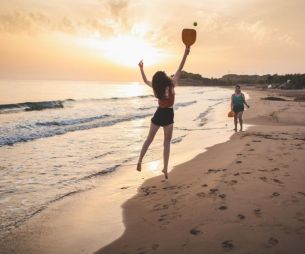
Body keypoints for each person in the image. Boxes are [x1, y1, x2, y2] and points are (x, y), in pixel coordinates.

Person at [136, 46, 191, 179]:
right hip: (168, 115)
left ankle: (140, 160)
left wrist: (141, 68)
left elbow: (145, 80)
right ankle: (165, 169)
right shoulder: (172, 84)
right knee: (166, 143)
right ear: (165, 78)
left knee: (149, 139)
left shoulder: (156, 88)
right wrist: (185, 52)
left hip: (158, 114)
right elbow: (180, 68)